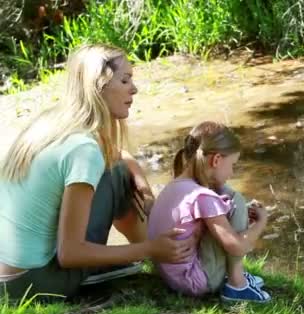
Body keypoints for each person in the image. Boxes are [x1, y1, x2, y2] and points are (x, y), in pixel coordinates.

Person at [0, 44, 198, 299]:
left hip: (6, 276)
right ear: (100, 85)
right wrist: (149, 249)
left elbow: (120, 156)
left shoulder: (53, 122)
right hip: (31, 284)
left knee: (118, 169)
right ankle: (161, 258)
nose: (134, 89)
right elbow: (70, 254)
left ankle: (156, 249)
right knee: (117, 177)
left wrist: (146, 192)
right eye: (125, 80)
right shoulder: (84, 150)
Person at [147, 121, 271, 302]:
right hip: (195, 281)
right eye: (232, 164)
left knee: (224, 194)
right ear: (216, 160)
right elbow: (235, 245)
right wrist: (260, 223)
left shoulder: (174, 186)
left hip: (170, 277)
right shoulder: (202, 197)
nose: (231, 172)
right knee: (235, 199)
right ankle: (237, 283)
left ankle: (235, 276)